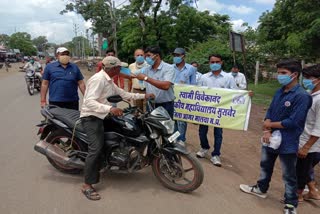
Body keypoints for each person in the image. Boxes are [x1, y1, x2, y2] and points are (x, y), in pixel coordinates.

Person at [239, 59, 312, 214]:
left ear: (294, 74)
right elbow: (271, 111)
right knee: (265, 165)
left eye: (283, 73)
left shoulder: (302, 96)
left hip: (288, 142)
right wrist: (267, 129)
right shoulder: (280, 91)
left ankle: (291, 204)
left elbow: (293, 122)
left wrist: (269, 126)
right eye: (278, 73)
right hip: (270, 138)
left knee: (288, 174)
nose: (280, 76)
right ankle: (261, 188)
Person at [80, 56, 155, 200]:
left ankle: (117, 158)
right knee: (95, 149)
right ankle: (87, 185)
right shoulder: (98, 79)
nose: (121, 69)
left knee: (125, 131)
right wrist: (110, 109)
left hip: (103, 115)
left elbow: (123, 94)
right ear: (113, 68)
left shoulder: (109, 80)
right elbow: (89, 102)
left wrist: (144, 96)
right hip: (91, 117)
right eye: (120, 67)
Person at [196, 54, 238, 167]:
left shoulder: (229, 78)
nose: (215, 64)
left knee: (218, 133)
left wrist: (246, 95)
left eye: (217, 62)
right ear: (209, 63)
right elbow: (197, 93)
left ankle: (216, 154)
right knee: (202, 131)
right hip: (205, 110)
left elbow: (235, 93)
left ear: (221, 62)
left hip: (220, 111)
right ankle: (204, 148)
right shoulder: (203, 77)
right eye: (212, 62)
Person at [296, 64, 320, 201]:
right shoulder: (311, 95)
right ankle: (312, 191)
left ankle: (296, 196)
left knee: (301, 169)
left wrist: (306, 146)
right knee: (305, 168)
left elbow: (318, 126)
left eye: (308, 78)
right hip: (304, 138)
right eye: (304, 77)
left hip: (310, 143)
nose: (305, 80)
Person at [135, 46, 176, 118]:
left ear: (157, 56)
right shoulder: (147, 69)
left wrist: (146, 78)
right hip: (151, 104)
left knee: (166, 127)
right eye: (145, 56)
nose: (146, 58)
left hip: (166, 105)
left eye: (148, 56)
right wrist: (118, 68)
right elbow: (131, 74)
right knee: (151, 127)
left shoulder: (169, 68)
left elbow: (166, 86)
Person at [173, 48, 196, 144]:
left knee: (182, 120)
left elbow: (193, 84)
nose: (175, 57)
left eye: (178, 55)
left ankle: (181, 139)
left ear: (183, 56)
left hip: (184, 98)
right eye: (174, 55)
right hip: (172, 97)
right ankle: (174, 137)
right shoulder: (171, 67)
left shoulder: (191, 69)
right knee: (173, 119)